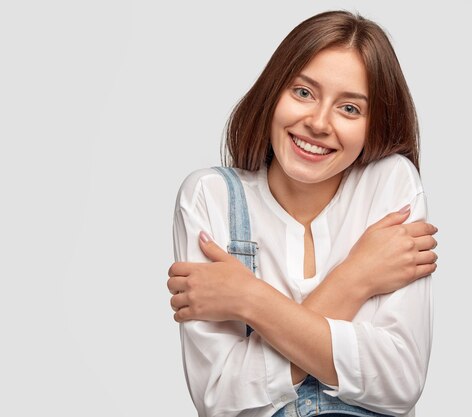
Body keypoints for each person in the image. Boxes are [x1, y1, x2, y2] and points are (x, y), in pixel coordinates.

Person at [167, 10, 438, 417]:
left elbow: (400, 381)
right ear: (273, 92)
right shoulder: (210, 197)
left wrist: (250, 299)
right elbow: (220, 399)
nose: (318, 123)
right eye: (303, 92)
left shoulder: (388, 184)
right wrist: (356, 279)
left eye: (349, 109)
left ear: (373, 126)